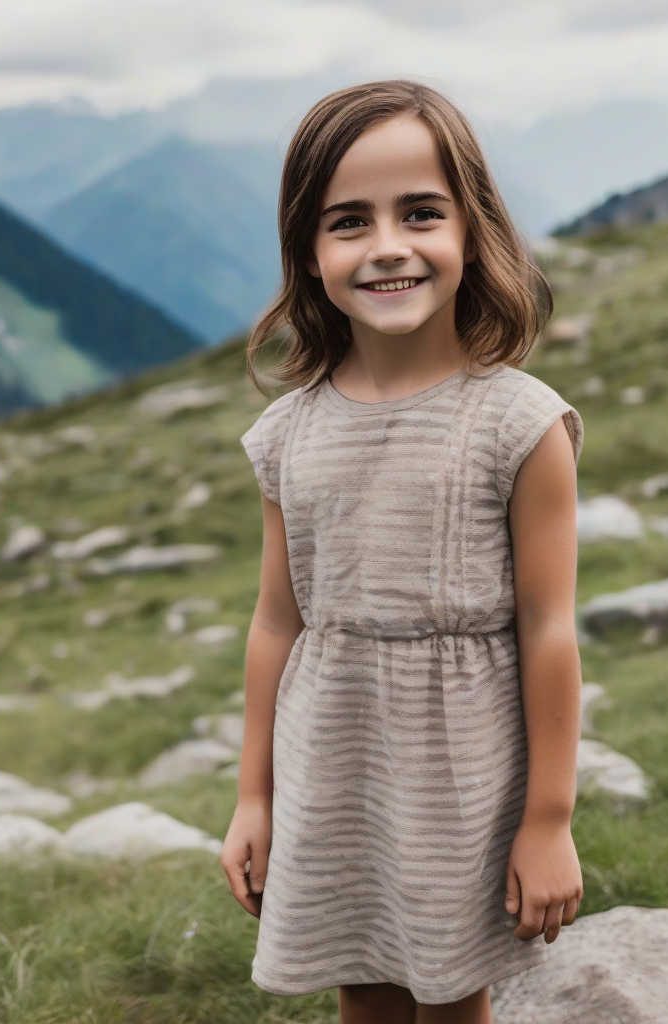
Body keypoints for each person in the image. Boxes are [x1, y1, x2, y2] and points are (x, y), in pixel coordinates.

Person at [221, 79, 584, 1024]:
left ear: (473, 227)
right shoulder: (287, 435)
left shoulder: (519, 423)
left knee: (451, 990)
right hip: (332, 756)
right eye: (349, 221)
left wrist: (548, 820)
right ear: (309, 250)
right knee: (363, 981)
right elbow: (277, 622)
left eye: (420, 212)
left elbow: (550, 629)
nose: (388, 246)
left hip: (460, 777)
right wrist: (252, 797)